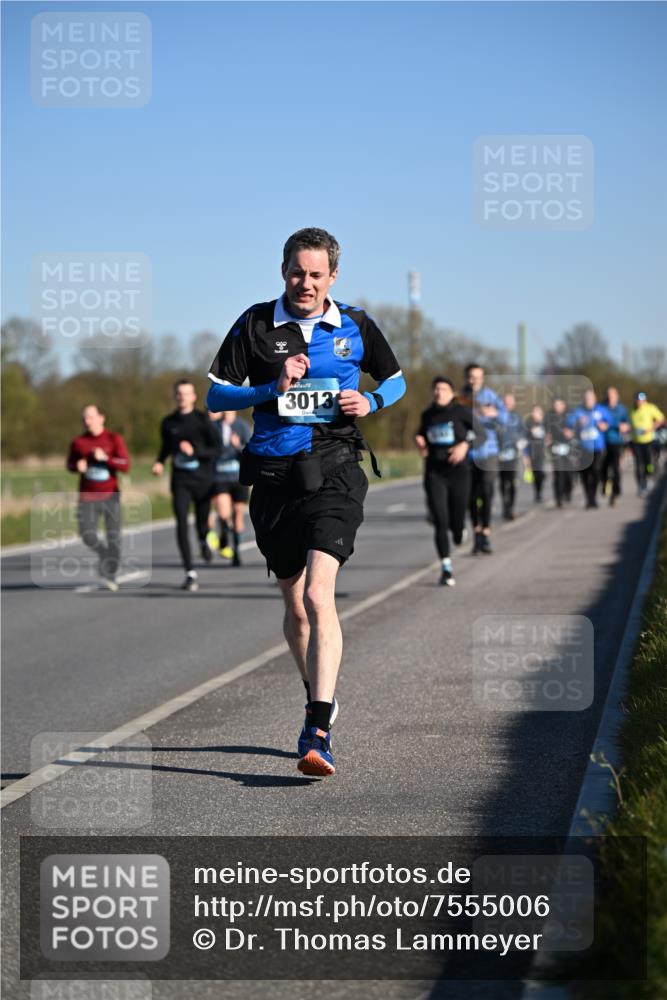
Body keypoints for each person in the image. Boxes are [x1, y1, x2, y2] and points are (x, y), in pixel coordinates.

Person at [207, 227, 405, 777]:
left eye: (317, 274)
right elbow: (216, 395)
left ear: (333, 277)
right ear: (283, 271)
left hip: (335, 467)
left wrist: (370, 401)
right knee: (295, 609)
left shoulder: (356, 325)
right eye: (298, 272)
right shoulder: (255, 323)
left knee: (320, 596)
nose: (306, 283)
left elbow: (396, 381)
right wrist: (269, 389)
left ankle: (317, 728)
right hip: (274, 477)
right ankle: (318, 690)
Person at [415, 376, 484, 587]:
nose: (439, 392)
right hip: (435, 473)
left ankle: (459, 529)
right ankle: (446, 568)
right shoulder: (428, 414)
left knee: (456, 523)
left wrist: (465, 445)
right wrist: (419, 441)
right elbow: (421, 434)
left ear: (451, 393)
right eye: (436, 389)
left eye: (444, 389)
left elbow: (482, 434)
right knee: (440, 521)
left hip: (459, 473)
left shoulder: (461, 412)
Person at [152, 380, 220, 591]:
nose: (182, 397)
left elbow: (217, 449)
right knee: (181, 523)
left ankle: (203, 540)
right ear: (175, 396)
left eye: (186, 393)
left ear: (194, 397)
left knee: (202, 524)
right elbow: (165, 447)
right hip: (180, 481)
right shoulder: (168, 423)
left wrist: (195, 452)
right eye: (179, 393)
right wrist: (159, 462)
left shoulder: (202, 420)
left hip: (203, 481)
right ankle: (190, 572)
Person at [66, 404, 130, 591]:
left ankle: (110, 574)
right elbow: (70, 464)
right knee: (87, 535)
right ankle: (104, 554)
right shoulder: (78, 442)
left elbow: (125, 465)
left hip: (111, 495)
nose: (87, 421)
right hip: (87, 496)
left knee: (113, 537)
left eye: (91, 417)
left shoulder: (113, 439)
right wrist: (77, 466)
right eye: (84, 418)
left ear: (101, 418)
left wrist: (105, 458)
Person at [463, 364, 506, 553]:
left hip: (488, 452)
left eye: (478, 377)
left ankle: (486, 532)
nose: (474, 380)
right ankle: (476, 533)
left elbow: (506, 418)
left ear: (483, 378)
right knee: (470, 495)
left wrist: (495, 413)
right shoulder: (460, 398)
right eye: (471, 377)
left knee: (487, 492)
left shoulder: (491, 396)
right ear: (466, 378)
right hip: (467, 453)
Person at [207, 410, 252, 565]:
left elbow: (250, 451)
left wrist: (238, 446)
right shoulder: (214, 426)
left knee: (238, 515)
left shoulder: (242, 426)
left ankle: (236, 551)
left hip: (239, 478)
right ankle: (224, 535)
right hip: (220, 477)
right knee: (224, 514)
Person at [566, 389, 609, 508]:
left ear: (595, 399)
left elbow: (607, 424)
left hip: (598, 447)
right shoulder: (578, 412)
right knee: (585, 474)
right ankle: (588, 498)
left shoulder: (600, 410)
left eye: (590, 398)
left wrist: (603, 425)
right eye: (586, 398)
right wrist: (574, 427)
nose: (588, 400)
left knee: (595, 471)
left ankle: (593, 497)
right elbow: (568, 427)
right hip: (583, 448)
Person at [629, 391, 665, 495]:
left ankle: (649, 476)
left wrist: (651, 428)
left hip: (648, 441)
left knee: (648, 464)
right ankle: (641, 485)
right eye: (637, 400)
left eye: (641, 400)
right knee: (638, 465)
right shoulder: (631, 410)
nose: (639, 402)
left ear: (645, 400)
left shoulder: (650, 408)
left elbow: (661, 419)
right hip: (636, 441)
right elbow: (628, 423)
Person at [497, 393, 525, 520]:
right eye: (505, 401)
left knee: (512, 481)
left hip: (512, 454)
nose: (508, 403)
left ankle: (511, 507)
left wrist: (520, 444)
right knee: (502, 482)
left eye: (510, 401)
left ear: (514, 403)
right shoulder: (497, 416)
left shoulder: (517, 417)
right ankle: (505, 506)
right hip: (499, 454)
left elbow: (523, 433)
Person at [600, 386, 630, 507]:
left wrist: (624, 427)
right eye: (608, 395)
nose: (610, 397)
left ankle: (615, 493)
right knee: (602, 468)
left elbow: (627, 425)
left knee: (615, 468)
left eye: (612, 395)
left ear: (617, 396)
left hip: (616, 442)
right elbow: (597, 421)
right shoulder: (601, 408)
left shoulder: (622, 409)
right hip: (602, 442)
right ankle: (605, 484)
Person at [545, 398, 574, 507]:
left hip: (568, 448)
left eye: (560, 404)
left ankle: (568, 491)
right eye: (556, 405)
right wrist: (548, 437)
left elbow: (576, 428)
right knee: (558, 474)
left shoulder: (570, 416)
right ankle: (558, 498)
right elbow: (545, 430)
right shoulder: (549, 417)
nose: (558, 407)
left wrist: (571, 433)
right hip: (556, 448)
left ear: (564, 405)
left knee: (569, 474)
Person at [524, 404, 547, 503]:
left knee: (540, 473)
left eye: (538, 412)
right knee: (535, 473)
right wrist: (525, 455)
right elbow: (525, 440)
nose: (536, 414)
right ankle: (537, 493)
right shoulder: (528, 424)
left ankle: (539, 491)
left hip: (541, 452)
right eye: (535, 412)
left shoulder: (545, 424)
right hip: (532, 452)